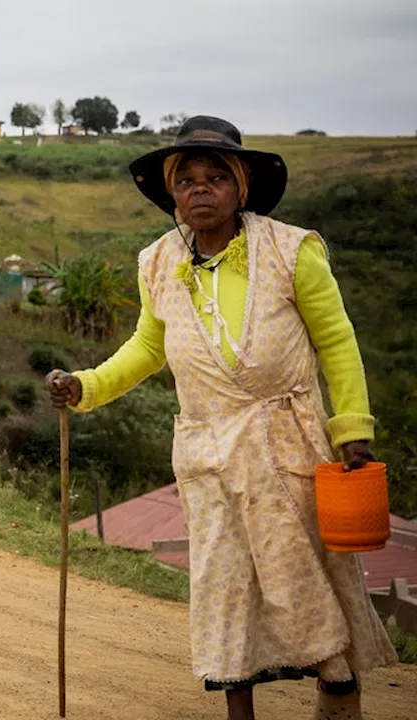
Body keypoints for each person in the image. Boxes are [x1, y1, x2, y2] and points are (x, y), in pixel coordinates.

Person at [45, 116, 396, 720]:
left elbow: (337, 342)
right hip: (207, 451)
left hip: (289, 442)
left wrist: (353, 429)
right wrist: (86, 385)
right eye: (186, 181)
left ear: (242, 187)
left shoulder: (293, 251)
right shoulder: (157, 262)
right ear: (171, 193)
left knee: (309, 579)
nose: (199, 190)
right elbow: (148, 349)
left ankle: (338, 696)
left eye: (215, 178)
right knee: (224, 586)